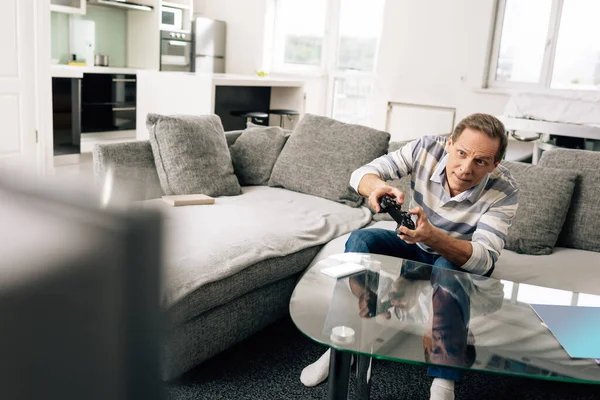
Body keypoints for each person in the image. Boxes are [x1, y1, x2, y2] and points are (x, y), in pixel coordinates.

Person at [300, 113, 519, 400]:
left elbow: (484, 259)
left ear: (495, 164)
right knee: (362, 239)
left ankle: (443, 382)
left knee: (447, 268)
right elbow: (359, 175)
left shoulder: (505, 190)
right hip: (414, 242)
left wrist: (433, 237)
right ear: (450, 144)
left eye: (480, 161)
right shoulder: (425, 149)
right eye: (462, 153)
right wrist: (376, 187)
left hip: (455, 255)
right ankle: (342, 347)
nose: (465, 168)